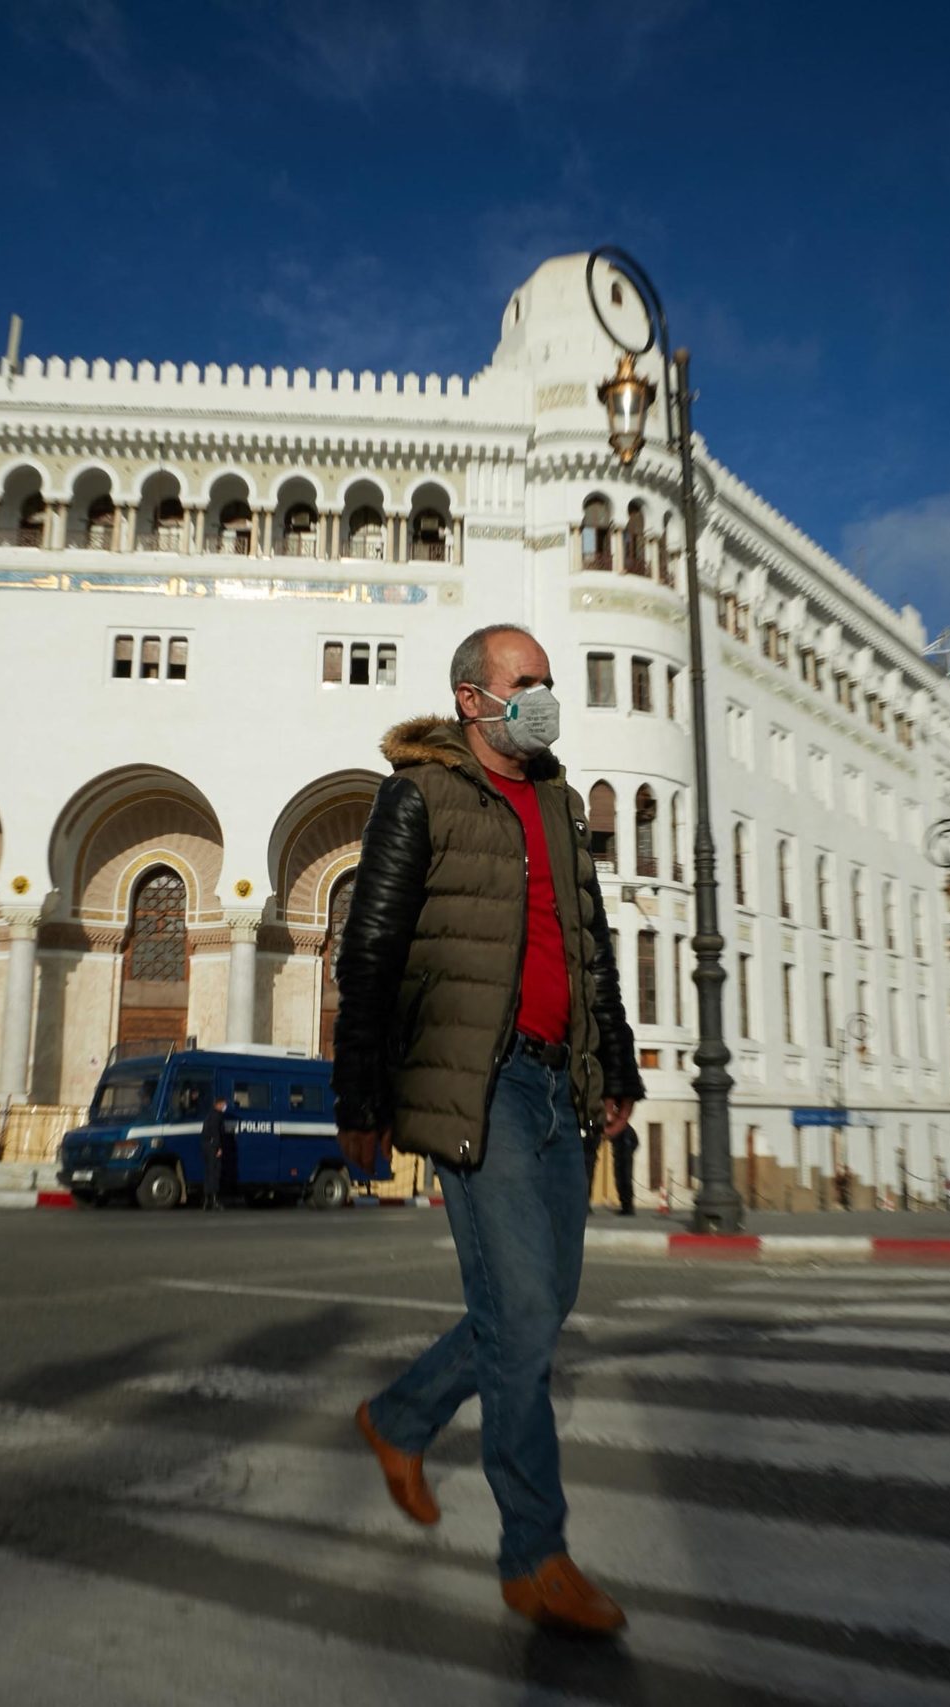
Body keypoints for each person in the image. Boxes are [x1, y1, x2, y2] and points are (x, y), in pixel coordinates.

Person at [335, 623, 644, 1636]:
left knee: (538, 1310)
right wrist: (362, 1098)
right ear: (474, 699)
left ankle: (402, 1418)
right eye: (528, 683)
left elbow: (589, 948)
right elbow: (371, 950)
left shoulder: (557, 803)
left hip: (566, 1083)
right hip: (484, 1081)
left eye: (549, 683)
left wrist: (618, 1065)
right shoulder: (418, 795)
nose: (545, 697)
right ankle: (535, 1556)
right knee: (519, 1317)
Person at [200, 1092, 231, 1211]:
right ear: (219, 1104)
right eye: (224, 1104)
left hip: (207, 1147)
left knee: (208, 1173)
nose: (225, 1106)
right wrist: (218, 1148)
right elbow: (216, 1133)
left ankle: (207, 1201)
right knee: (215, 1174)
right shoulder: (216, 1116)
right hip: (213, 1147)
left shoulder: (209, 1115)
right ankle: (214, 1200)